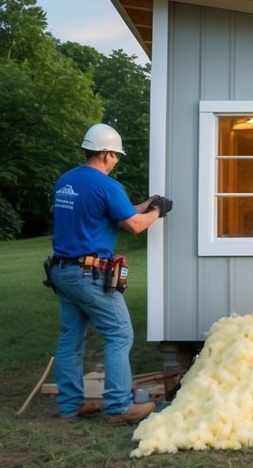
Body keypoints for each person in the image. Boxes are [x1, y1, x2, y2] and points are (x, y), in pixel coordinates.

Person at [48, 124, 171, 424]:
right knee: (119, 333)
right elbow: (134, 225)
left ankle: (69, 407)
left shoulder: (66, 181)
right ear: (104, 153)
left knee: (70, 339)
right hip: (88, 274)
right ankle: (118, 407)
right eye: (115, 155)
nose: (116, 160)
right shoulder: (106, 185)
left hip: (62, 271)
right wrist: (158, 213)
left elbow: (116, 212)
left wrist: (145, 204)